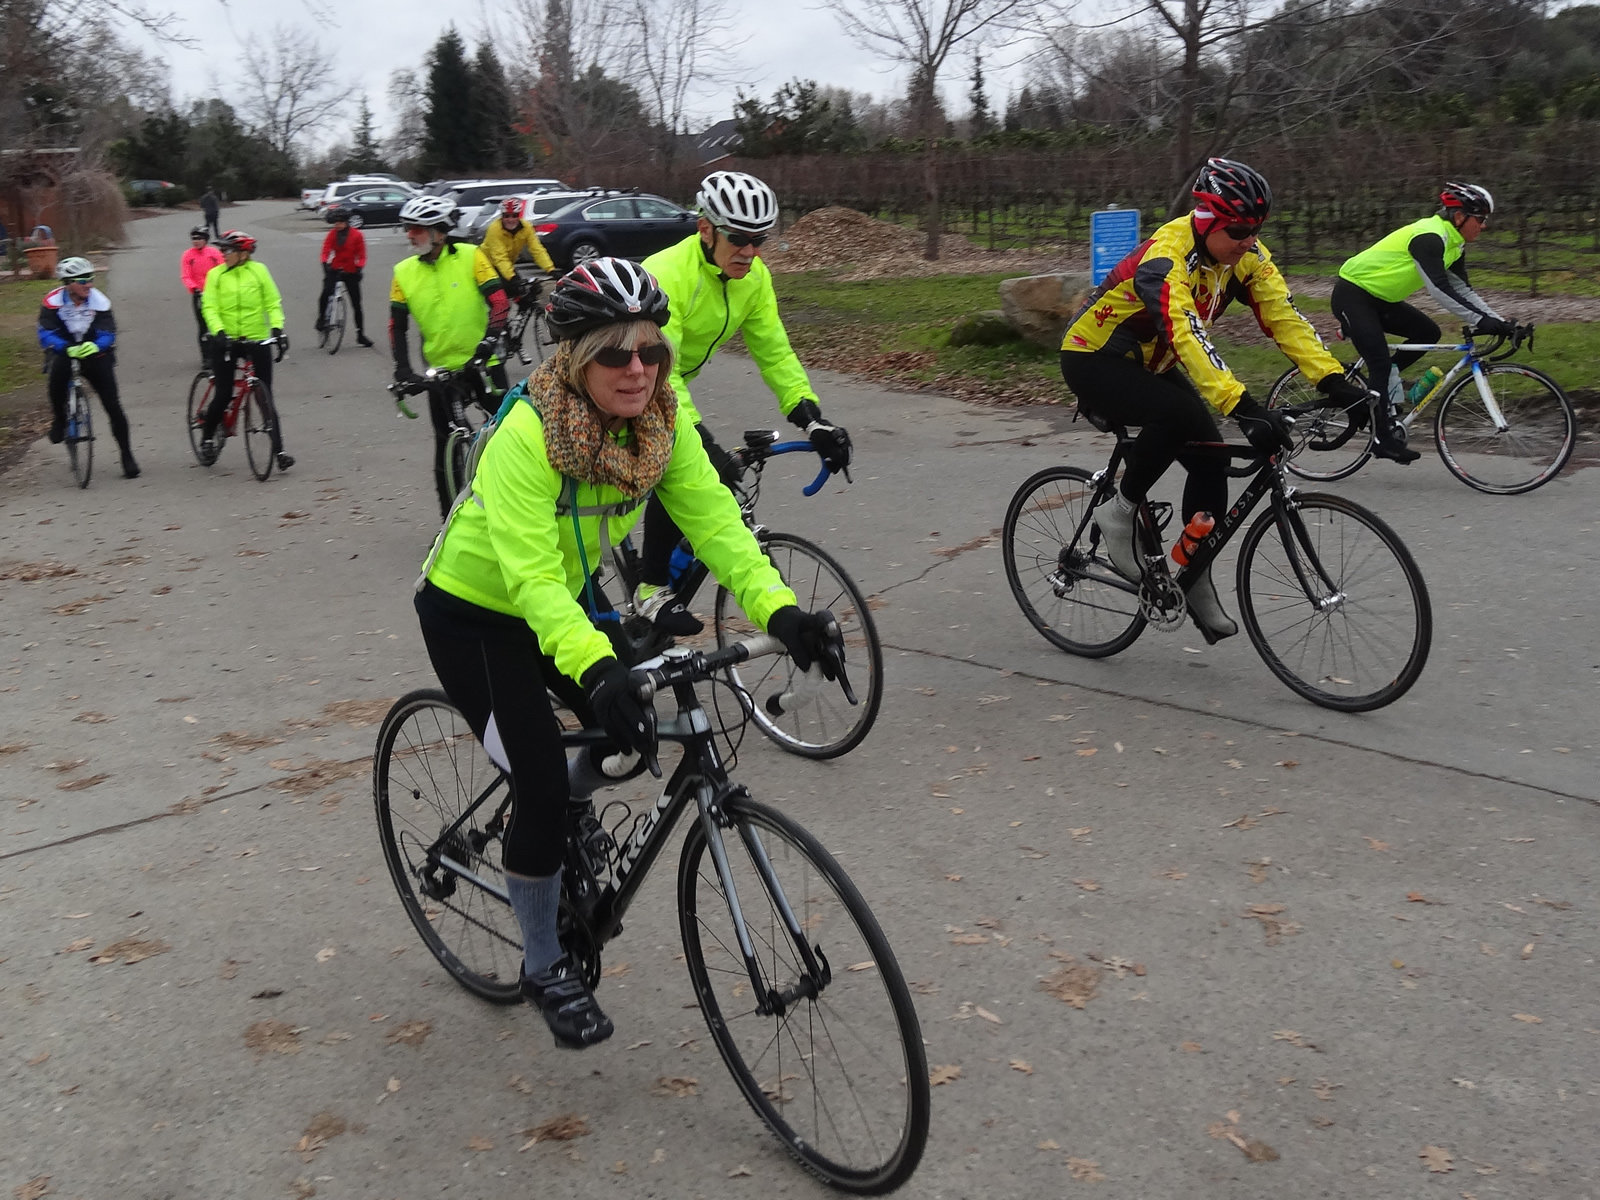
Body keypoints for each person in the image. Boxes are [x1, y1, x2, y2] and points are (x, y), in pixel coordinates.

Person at [414, 256, 839, 1048]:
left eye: (651, 351)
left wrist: (783, 613)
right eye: (615, 353)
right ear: (576, 359)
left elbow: (719, 526)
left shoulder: (659, 427)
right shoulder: (526, 436)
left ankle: (564, 817)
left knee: (630, 732)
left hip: (562, 602)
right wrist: (599, 667)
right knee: (542, 781)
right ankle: (544, 964)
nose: (637, 368)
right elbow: (533, 582)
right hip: (476, 613)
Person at [1059, 157, 1368, 643]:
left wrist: (1332, 380)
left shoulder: (1246, 257)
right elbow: (1185, 333)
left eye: (1256, 229)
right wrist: (1243, 407)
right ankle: (1118, 514)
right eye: (1239, 230)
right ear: (1205, 220)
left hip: (1152, 363)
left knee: (1212, 459)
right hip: (1093, 356)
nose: (1249, 240)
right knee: (1176, 413)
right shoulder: (1166, 256)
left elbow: (1283, 316)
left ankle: (1194, 571)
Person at [635, 170, 851, 635]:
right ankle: (650, 590)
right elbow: (661, 375)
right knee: (680, 468)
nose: (749, 251)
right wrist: (700, 441)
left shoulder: (754, 279)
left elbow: (775, 353)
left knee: (695, 467)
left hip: (669, 381)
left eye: (759, 240)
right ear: (705, 229)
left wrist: (812, 420)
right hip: (632, 377)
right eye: (738, 238)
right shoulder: (667, 274)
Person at [1333, 182, 1519, 465]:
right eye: (1480, 219)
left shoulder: (1453, 244)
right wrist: (1481, 320)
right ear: (1460, 216)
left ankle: (1378, 390)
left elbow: (1463, 290)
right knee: (1379, 363)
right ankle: (1381, 439)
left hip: (1381, 299)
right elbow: (1439, 289)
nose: (1484, 226)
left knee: (1428, 332)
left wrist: (1500, 321)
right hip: (1353, 295)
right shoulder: (1429, 237)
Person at [389, 194, 511, 518]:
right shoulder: (403, 272)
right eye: (408, 228)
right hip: (441, 369)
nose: (409, 235)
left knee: (509, 435)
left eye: (416, 229)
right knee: (445, 444)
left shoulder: (471, 256)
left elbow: (500, 302)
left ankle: (516, 500)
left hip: (484, 363)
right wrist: (403, 369)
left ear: (439, 232)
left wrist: (488, 343)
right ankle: (448, 524)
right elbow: (396, 326)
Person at [199, 229, 293, 471]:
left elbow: (273, 302)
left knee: (265, 397)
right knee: (223, 394)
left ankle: (279, 452)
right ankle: (207, 437)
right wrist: (218, 331)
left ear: (243, 253)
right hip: (226, 340)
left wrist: (277, 329)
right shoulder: (216, 275)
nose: (223, 254)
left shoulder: (259, 271)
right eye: (222, 250)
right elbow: (209, 306)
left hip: (256, 338)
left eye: (228, 250)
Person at [37, 256, 140, 478]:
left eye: (91, 279)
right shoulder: (52, 302)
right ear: (68, 283)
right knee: (56, 385)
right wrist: (63, 347)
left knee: (113, 404)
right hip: (65, 350)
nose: (89, 284)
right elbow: (45, 333)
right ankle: (60, 419)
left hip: (94, 352)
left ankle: (126, 454)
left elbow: (108, 332)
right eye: (83, 280)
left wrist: (96, 345)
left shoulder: (99, 302)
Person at [315, 207, 373, 346]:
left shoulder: (357, 235)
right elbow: (325, 251)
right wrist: (325, 263)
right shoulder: (332, 234)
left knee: (356, 304)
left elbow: (362, 255)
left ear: (346, 222)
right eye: (336, 222)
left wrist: (359, 267)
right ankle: (322, 318)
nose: (338, 225)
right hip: (335, 268)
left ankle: (360, 334)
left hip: (351, 270)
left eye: (340, 222)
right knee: (325, 293)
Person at [479, 196, 558, 299]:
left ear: (519, 215)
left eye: (514, 216)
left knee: (525, 291)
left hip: (507, 265)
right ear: (502, 216)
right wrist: (511, 277)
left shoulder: (526, 227)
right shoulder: (494, 229)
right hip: (488, 264)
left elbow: (537, 250)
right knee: (501, 296)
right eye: (506, 216)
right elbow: (500, 257)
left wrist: (550, 269)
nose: (510, 219)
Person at [180, 226, 223, 349]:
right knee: (203, 326)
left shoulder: (214, 253)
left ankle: (221, 350)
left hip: (216, 293)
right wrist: (194, 288)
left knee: (220, 323)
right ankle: (206, 355)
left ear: (205, 239)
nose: (196, 241)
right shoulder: (188, 255)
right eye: (194, 239)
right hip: (199, 294)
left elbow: (223, 270)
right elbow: (186, 275)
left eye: (199, 238)